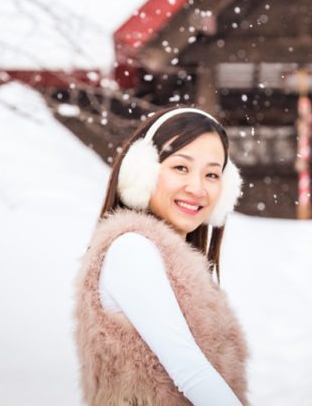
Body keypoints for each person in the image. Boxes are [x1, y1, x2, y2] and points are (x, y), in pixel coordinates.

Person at [74, 107, 248, 406]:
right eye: (181, 167)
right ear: (142, 172)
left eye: (211, 174)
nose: (197, 188)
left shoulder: (171, 261)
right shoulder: (132, 250)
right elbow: (189, 370)